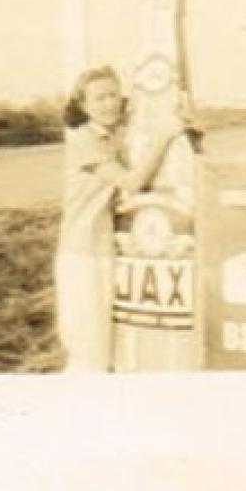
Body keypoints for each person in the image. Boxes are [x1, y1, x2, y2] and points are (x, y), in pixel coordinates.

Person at [55, 65, 187, 372]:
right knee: (89, 353)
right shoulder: (81, 138)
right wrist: (165, 135)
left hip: (105, 249)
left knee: (107, 349)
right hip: (81, 252)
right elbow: (131, 182)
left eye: (114, 95)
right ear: (82, 105)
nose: (110, 103)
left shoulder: (111, 136)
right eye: (100, 98)